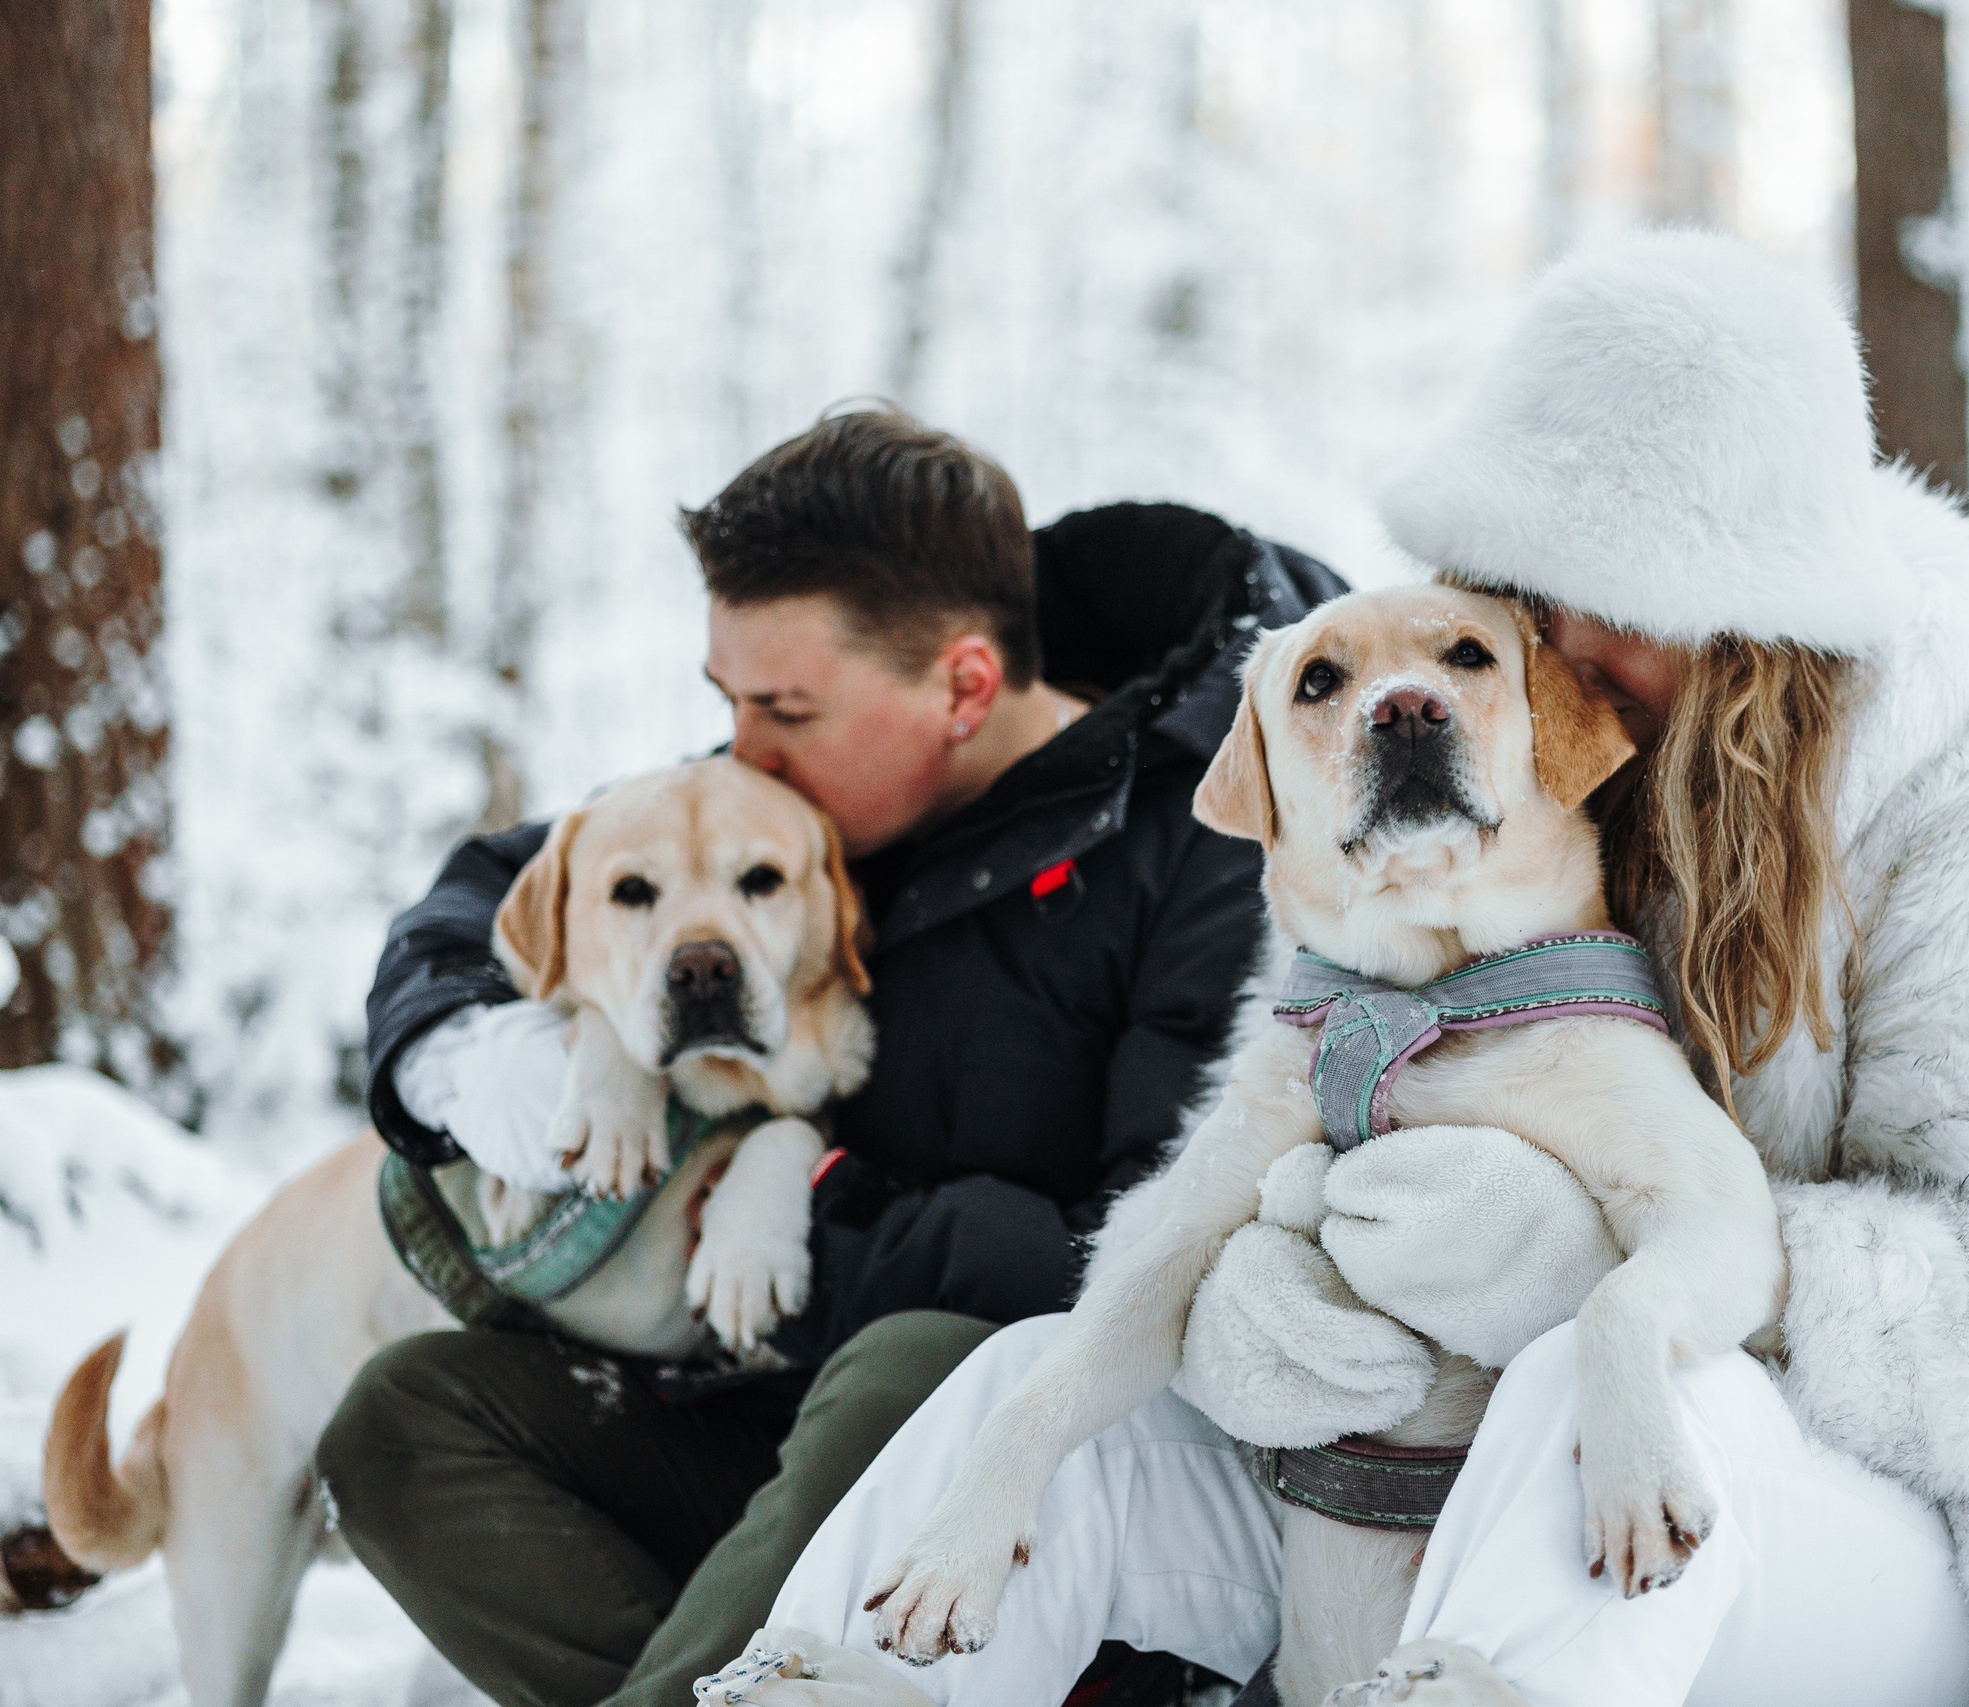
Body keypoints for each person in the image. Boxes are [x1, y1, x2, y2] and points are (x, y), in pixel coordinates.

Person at [730, 231, 1969, 1707]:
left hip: (1896, 1545)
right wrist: (1255, 1305)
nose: (1558, 644)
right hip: (1442, 1489)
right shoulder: (1456, 807)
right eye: (1524, 590)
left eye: (1625, 595)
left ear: (1754, 616)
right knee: (1025, 1391)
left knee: (1593, 1398)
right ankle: (832, 1686)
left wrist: (1606, 1268)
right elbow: (1281, 1151)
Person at [314, 407, 1345, 1707]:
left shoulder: (1220, 842)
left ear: (963, 686)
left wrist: (802, 1211)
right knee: (405, 1422)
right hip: (766, 1411)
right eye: (726, 700)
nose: (742, 747)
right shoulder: (821, 786)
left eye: (781, 708)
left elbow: (1156, 1265)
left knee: (909, 1363)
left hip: (1035, 1479)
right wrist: (488, 1051)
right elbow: (494, 887)